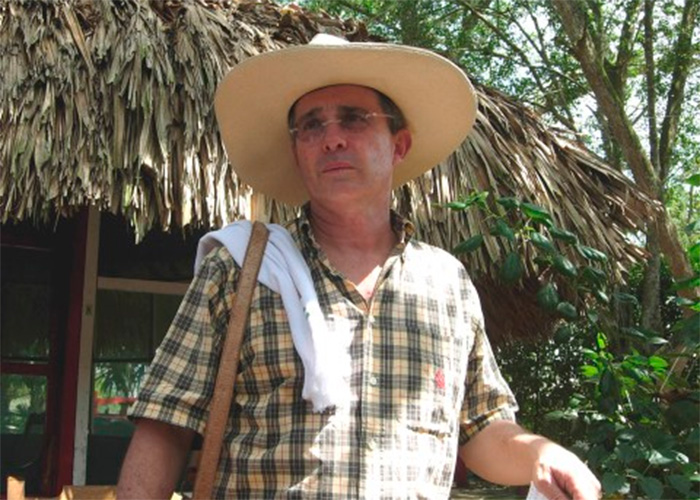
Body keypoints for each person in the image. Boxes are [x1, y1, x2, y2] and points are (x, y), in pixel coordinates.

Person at [117, 34, 601, 499]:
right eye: (311, 126)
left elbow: (482, 430)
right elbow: (167, 422)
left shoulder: (447, 285)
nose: (331, 139)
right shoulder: (243, 268)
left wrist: (542, 454)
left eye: (353, 119)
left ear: (399, 145)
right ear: (297, 151)